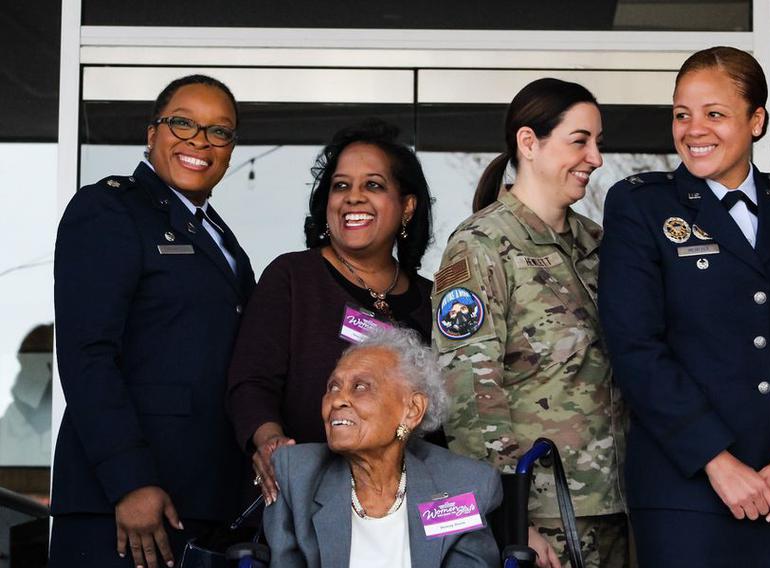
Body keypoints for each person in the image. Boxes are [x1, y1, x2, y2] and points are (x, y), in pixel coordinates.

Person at [598, 46, 770, 567]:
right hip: (688, 491)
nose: (694, 130)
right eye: (681, 114)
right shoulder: (643, 206)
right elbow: (635, 348)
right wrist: (715, 460)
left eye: (714, 114)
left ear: (756, 120)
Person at [50, 75, 255, 568]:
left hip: (199, 505)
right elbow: (88, 355)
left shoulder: (220, 237)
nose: (199, 142)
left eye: (218, 131)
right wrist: (130, 480)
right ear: (151, 133)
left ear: (229, 150)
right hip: (124, 507)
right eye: (182, 123)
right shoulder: (110, 209)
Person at [433, 78, 627, 568]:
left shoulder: (599, 242)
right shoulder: (481, 245)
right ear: (528, 142)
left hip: (615, 505)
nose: (596, 158)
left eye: (598, 142)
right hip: (541, 514)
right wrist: (512, 517)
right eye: (579, 140)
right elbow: (470, 396)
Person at [227, 119, 440, 508]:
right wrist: (271, 443)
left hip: (403, 514)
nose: (353, 197)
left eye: (373, 185)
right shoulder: (293, 277)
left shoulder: (433, 299)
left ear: (407, 206)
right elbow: (250, 383)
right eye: (341, 186)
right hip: (301, 502)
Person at [265, 326, 501, 567]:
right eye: (333, 387)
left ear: (412, 410)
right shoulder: (296, 475)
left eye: (360, 387)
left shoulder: (463, 485)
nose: (337, 400)